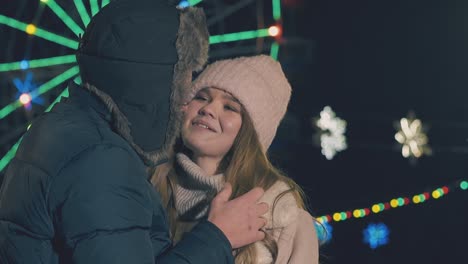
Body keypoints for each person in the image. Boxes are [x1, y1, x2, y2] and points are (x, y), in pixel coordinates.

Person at [0, 0, 268, 263]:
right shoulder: (102, 160)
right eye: (182, 74)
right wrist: (217, 237)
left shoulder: (58, 126)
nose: (188, 93)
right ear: (151, 79)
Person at [152, 55, 319, 264]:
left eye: (229, 107)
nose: (208, 109)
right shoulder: (146, 188)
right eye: (202, 97)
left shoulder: (284, 220)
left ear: (250, 132)